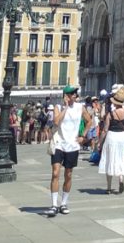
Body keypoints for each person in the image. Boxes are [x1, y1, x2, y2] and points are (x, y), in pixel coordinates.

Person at [45, 85, 84, 215]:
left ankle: (64, 203)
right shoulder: (58, 107)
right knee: (55, 173)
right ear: (66, 95)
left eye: (75, 93)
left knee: (68, 174)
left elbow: (89, 121)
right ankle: (54, 204)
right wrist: (66, 107)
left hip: (72, 145)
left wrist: (83, 136)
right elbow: (56, 122)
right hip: (58, 144)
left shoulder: (80, 107)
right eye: (72, 93)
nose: (75, 95)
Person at [98, 86, 124, 194]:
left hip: (112, 136)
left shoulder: (110, 114)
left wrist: (100, 142)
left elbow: (105, 130)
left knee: (110, 159)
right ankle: (121, 179)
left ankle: (108, 187)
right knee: (121, 158)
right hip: (122, 136)